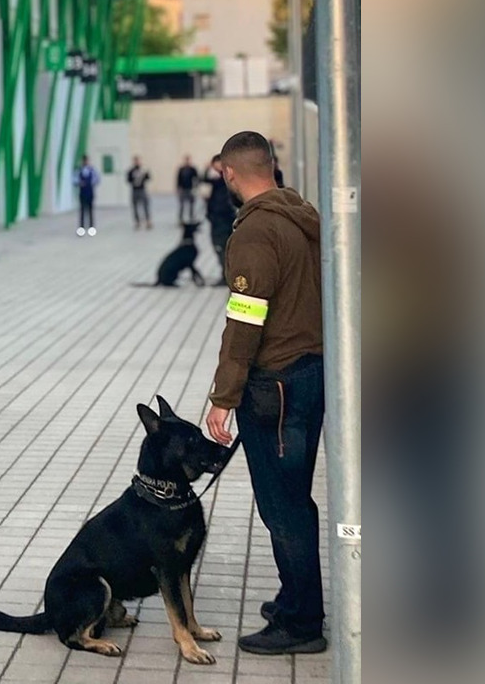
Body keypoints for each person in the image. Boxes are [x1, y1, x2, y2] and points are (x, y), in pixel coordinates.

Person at [204, 131, 325, 656]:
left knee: (282, 507)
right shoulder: (302, 215)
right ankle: (296, 599)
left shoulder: (255, 233)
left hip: (273, 385)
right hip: (309, 373)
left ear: (229, 173)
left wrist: (223, 395)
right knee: (295, 499)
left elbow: (245, 320)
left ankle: (300, 623)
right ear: (271, 167)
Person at [203, 153, 236, 286]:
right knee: (223, 248)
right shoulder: (224, 179)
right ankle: (226, 274)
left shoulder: (223, 181)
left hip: (222, 220)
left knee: (221, 247)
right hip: (222, 219)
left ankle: (226, 276)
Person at [75, 155, 100, 236]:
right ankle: (81, 228)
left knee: (90, 210)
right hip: (82, 192)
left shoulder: (92, 170)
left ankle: (91, 228)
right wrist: (79, 183)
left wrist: (92, 183)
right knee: (82, 211)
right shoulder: (79, 170)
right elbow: (74, 179)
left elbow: (97, 178)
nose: (85, 162)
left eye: (86, 161)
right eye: (84, 161)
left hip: (90, 191)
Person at [126, 155, 152, 230]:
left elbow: (149, 178)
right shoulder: (131, 170)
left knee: (145, 206)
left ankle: (148, 221)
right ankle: (137, 222)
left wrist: (144, 176)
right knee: (135, 207)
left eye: (138, 161)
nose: (137, 162)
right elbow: (128, 179)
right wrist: (133, 181)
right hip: (135, 190)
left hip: (142, 189)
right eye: (135, 161)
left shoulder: (143, 169)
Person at [176, 155, 199, 222]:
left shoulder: (193, 169)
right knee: (182, 205)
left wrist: (196, 187)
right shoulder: (181, 169)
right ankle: (180, 219)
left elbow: (196, 178)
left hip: (190, 189)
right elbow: (178, 179)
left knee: (191, 205)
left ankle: (191, 217)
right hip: (183, 189)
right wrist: (178, 188)